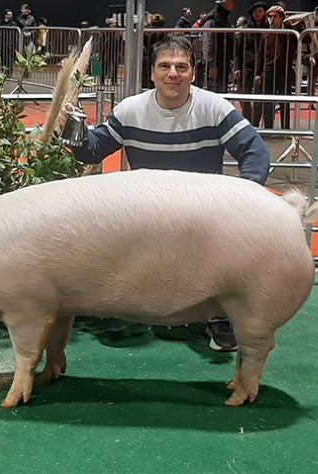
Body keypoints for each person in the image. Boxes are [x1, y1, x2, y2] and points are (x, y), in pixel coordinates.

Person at [71, 35, 271, 352]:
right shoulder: (131, 110)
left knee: (221, 257)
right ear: (153, 73)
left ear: (193, 73)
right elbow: (94, 151)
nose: (173, 73)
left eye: (181, 66)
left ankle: (220, 318)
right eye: (165, 66)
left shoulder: (215, 108)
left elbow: (256, 153)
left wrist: (242, 199)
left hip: (203, 211)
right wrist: (74, 133)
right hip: (148, 210)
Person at [201, 0, 240, 93]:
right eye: (231, 1)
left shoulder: (223, 18)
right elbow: (208, 43)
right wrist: (211, 65)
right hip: (217, 62)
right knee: (215, 92)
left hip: (223, 61)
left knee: (221, 90)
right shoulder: (213, 20)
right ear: (224, 3)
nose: (233, 4)